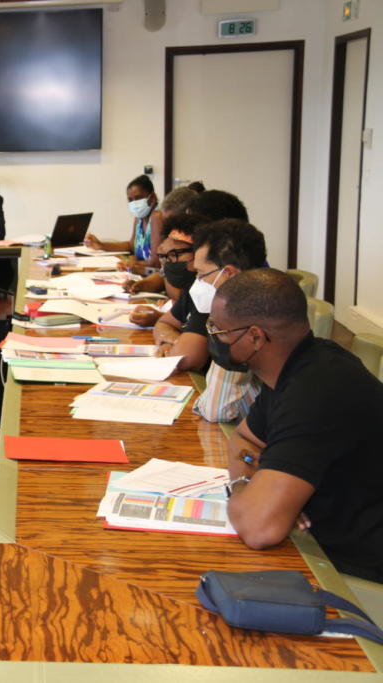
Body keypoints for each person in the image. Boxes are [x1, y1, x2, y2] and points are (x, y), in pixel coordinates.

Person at [216, 269, 383, 583]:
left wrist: (249, 495)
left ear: (255, 337)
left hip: (353, 573)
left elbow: (258, 528)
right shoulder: (295, 365)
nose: (216, 338)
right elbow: (243, 440)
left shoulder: (317, 390)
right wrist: (251, 486)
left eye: (219, 330)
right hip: (317, 547)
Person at [153, 218, 266, 374]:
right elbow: (163, 323)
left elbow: (184, 359)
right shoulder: (208, 294)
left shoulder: (222, 305)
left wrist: (175, 346)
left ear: (228, 274)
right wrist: (174, 341)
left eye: (201, 273)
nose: (197, 279)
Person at [128, 213, 202, 327]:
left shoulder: (205, 289)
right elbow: (161, 276)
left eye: (174, 255)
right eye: (163, 256)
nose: (168, 263)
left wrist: (159, 318)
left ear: (199, 253)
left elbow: (196, 328)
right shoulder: (172, 268)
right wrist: (140, 285)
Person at [126, 186, 200, 296]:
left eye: (172, 223)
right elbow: (163, 274)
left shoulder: (197, 244)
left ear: (188, 214)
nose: (169, 229)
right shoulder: (174, 240)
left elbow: (179, 296)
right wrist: (140, 285)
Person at [84, 174, 163, 272]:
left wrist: (129, 262)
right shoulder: (139, 218)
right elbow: (131, 246)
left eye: (138, 198)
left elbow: (156, 263)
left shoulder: (157, 217)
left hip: (153, 276)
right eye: (130, 200)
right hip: (137, 272)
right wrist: (101, 245)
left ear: (152, 197)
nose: (134, 203)